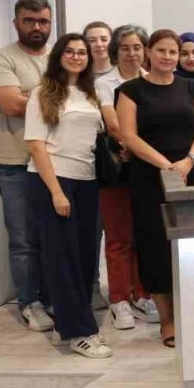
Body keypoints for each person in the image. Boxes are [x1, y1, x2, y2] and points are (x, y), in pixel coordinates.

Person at [117, 29, 194, 348]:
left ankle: (192, 316)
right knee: (154, 245)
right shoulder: (130, 90)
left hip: (189, 174)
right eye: (162, 51)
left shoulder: (191, 87)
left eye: (174, 52)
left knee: (192, 246)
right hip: (149, 178)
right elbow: (129, 136)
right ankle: (167, 320)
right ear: (148, 52)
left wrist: (188, 161)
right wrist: (167, 166)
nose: (168, 57)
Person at [24, 33, 109, 358]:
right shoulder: (43, 93)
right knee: (63, 259)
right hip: (53, 180)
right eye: (70, 51)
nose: (76, 57)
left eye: (82, 52)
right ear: (59, 55)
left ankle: (72, 323)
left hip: (87, 180)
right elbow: (36, 145)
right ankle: (80, 334)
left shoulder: (89, 93)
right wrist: (57, 192)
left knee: (85, 257)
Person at [0, 0, 52, 330]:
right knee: (24, 239)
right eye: (29, 20)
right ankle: (30, 303)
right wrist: (54, 97)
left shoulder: (58, 58)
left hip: (56, 162)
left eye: (43, 21)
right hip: (15, 163)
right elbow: (11, 105)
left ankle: (53, 297)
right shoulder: (1, 60)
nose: (37, 27)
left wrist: (33, 96)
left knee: (52, 236)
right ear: (16, 23)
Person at [96, 25, 156, 330]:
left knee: (143, 232)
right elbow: (114, 124)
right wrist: (136, 146)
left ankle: (141, 294)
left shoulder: (151, 79)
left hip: (146, 166)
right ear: (115, 51)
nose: (132, 53)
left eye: (137, 47)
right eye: (125, 48)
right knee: (119, 237)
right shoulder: (105, 83)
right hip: (119, 166)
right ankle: (119, 299)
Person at [82, 20, 114, 310]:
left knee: (118, 229)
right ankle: (91, 286)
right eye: (92, 39)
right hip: (86, 158)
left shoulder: (120, 73)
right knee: (91, 230)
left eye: (103, 38)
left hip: (116, 160)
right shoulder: (79, 76)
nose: (99, 44)